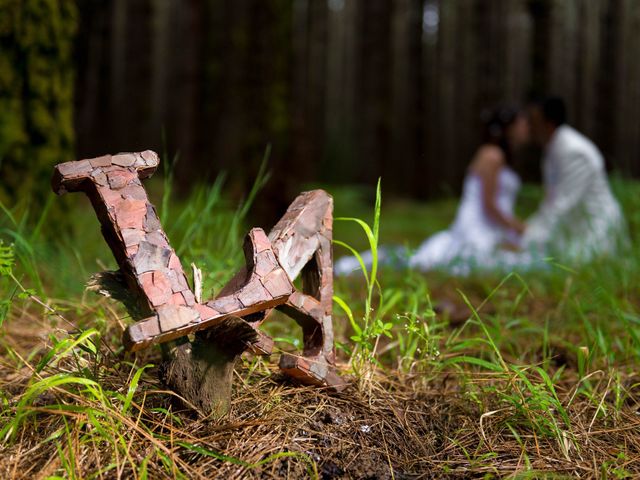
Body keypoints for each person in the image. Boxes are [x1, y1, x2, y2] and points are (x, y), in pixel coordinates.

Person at [334, 107, 530, 276]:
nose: (525, 128)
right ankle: (357, 265)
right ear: (509, 128)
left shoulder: (496, 156)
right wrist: (517, 227)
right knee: (427, 261)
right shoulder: (492, 155)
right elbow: (489, 205)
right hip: (480, 228)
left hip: (491, 227)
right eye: (522, 123)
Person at [522, 97, 627, 263]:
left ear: (549, 124)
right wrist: (529, 230)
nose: (529, 127)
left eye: (533, 121)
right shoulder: (552, 150)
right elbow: (551, 200)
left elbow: (563, 203)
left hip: (595, 229)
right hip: (576, 228)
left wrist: (528, 238)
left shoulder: (573, 151)